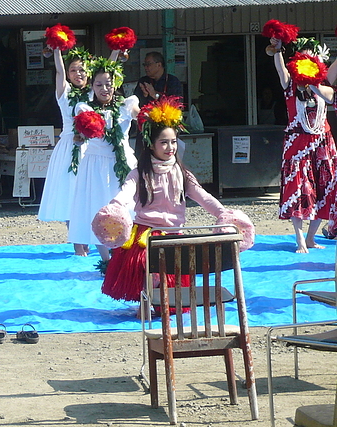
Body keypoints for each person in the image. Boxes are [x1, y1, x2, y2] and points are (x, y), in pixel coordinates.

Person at [101, 103, 227, 304]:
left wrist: (223, 214)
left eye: (174, 142)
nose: (170, 148)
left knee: (172, 301)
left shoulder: (183, 174)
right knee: (151, 267)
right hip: (147, 233)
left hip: (173, 234)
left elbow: (203, 197)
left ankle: (162, 302)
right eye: (164, 143)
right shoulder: (139, 174)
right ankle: (145, 302)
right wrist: (115, 206)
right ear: (151, 144)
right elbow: (125, 193)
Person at [68, 57, 139, 259]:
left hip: (122, 163)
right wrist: (79, 138)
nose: (104, 88)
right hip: (96, 165)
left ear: (115, 84)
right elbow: (81, 136)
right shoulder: (85, 109)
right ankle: (106, 260)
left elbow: (138, 115)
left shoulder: (127, 104)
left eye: (108, 84)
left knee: (128, 206)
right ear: (92, 86)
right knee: (98, 207)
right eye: (99, 84)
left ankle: (127, 254)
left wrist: (146, 117)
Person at [271, 36, 336, 251]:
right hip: (297, 144)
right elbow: (281, 70)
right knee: (298, 190)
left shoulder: (323, 86)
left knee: (324, 188)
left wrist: (314, 82)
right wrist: (278, 50)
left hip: (322, 143)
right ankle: (299, 239)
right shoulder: (290, 85)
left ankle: (310, 237)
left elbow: (329, 97)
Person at [37, 47, 92, 225]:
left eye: (82, 70)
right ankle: (75, 239)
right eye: (73, 70)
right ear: (68, 74)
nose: (78, 74)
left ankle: (91, 236)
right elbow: (58, 70)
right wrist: (57, 50)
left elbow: (110, 72)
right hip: (69, 145)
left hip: (91, 146)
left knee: (90, 190)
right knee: (70, 189)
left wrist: (115, 51)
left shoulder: (95, 92)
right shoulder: (65, 92)